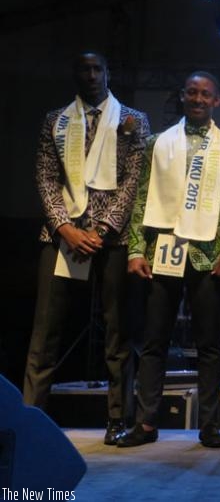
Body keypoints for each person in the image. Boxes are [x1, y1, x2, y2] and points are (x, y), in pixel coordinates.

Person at [117, 72, 220, 448]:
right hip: (162, 253)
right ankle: (145, 423)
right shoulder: (157, 143)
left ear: (217, 101)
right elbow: (142, 196)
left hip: (209, 256)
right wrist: (135, 249)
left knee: (209, 345)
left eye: (206, 94)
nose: (198, 99)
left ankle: (208, 425)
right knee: (154, 340)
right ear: (182, 96)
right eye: (192, 92)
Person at [24, 51, 150, 445]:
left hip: (110, 239)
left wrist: (102, 227)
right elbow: (45, 177)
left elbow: (133, 180)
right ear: (75, 74)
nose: (92, 75)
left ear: (109, 73)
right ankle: (31, 419)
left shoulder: (134, 119)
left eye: (98, 69)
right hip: (61, 236)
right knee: (45, 332)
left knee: (117, 332)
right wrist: (66, 227)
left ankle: (118, 419)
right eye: (85, 69)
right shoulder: (55, 121)